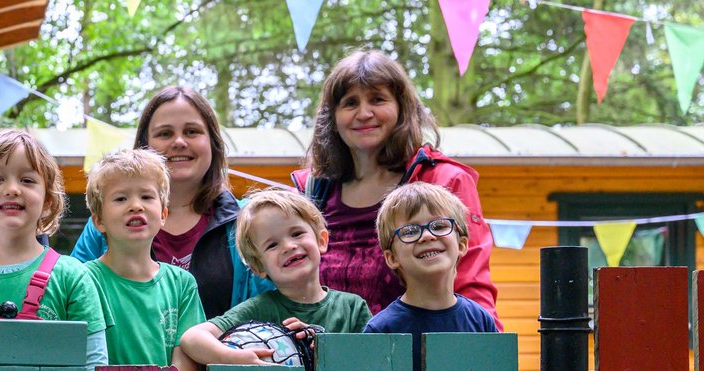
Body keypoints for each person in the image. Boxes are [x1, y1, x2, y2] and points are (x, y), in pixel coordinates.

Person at [291, 50, 499, 327]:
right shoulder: (312, 193)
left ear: (403, 108)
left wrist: (484, 351)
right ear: (333, 118)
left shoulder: (444, 181)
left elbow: (472, 289)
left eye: (377, 99)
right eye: (350, 103)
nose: (364, 113)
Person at [72, 86, 272, 319]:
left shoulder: (249, 220)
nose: (179, 142)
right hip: (128, 356)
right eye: (165, 134)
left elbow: (273, 304)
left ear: (213, 143)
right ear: (144, 145)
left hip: (229, 355)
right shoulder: (106, 221)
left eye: (192, 131)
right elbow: (74, 297)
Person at [0, 130, 107, 367]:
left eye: (27, 180)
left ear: (48, 200)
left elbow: (95, 362)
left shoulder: (73, 277)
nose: (12, 189)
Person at [180, 189, 371, 367]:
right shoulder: (259, 308)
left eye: (297, 234)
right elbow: (192, 338)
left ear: (321, 240)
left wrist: (323, 345)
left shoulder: (353, 308)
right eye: (272, 245)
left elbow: (374, 360)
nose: (289, 246)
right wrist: (233, 357)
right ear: (258, 267)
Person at [83, 149, 204, 370]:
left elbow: (187, 360)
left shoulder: (182, 284)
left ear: (163, 215)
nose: (136, 205)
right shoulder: (83, 281)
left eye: (147, 197)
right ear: (99, 221)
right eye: (121, 198)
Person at [364, 182, 498, 371]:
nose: (427, 236)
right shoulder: (380, 330)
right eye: (410, 231)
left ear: (461, 245)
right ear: (392, 258)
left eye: (440, 225)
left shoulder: (480, 321)